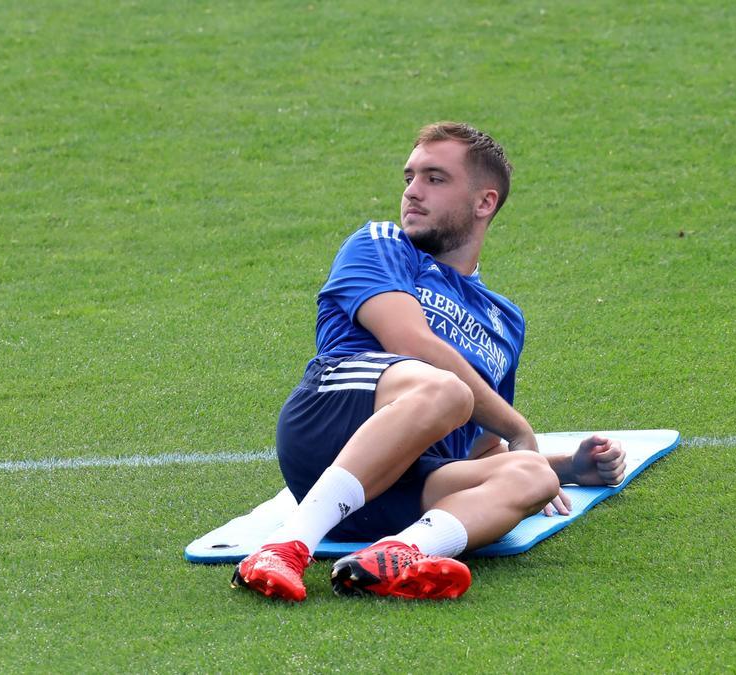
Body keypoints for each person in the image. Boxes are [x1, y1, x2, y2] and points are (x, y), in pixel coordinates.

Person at [232, 121, 626, 602]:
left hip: (400, 489)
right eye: (409, 177)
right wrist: (519, 428)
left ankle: (395, 556)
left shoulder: (505, 320)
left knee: (533, 477)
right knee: (446, 390)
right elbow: (410, 342)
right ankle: (284, 547)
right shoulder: (381, 242)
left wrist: (568, 466)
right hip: (330, 422)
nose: (413, 193)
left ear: (485, 202)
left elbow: (479, 449)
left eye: (435, 179)